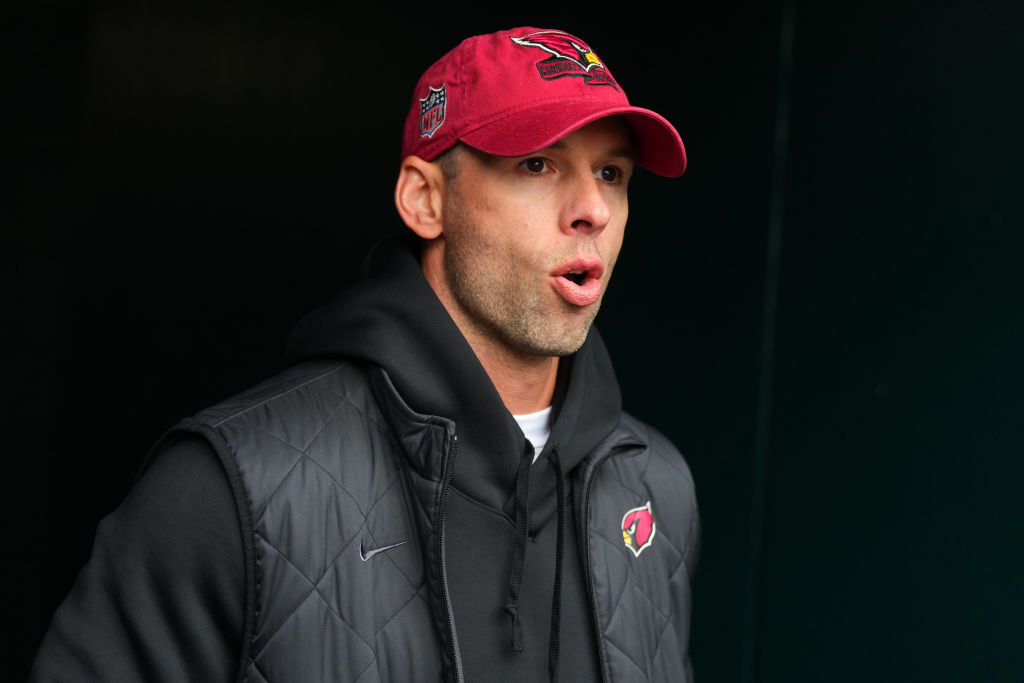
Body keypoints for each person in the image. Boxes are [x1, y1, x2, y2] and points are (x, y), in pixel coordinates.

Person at [30, 26, 699, 682]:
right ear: (424, 198)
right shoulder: (233, 485)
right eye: (537, 163)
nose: (593, 209)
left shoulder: (654, 492)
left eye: (612, 172)